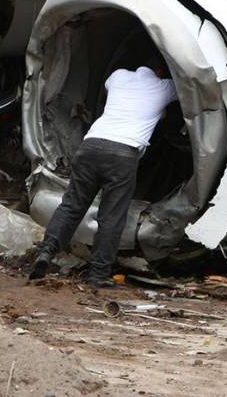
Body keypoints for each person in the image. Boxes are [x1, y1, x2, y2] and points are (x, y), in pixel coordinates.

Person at [29, 65, 177, 288]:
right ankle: (98, 275)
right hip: (123, 153)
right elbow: (192, 87)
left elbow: (113, 91)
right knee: (111, 216)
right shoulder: (164, 87)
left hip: (91, 145)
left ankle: (45, 253)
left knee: (71, 206)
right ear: (159, 73)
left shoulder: (118, 76)